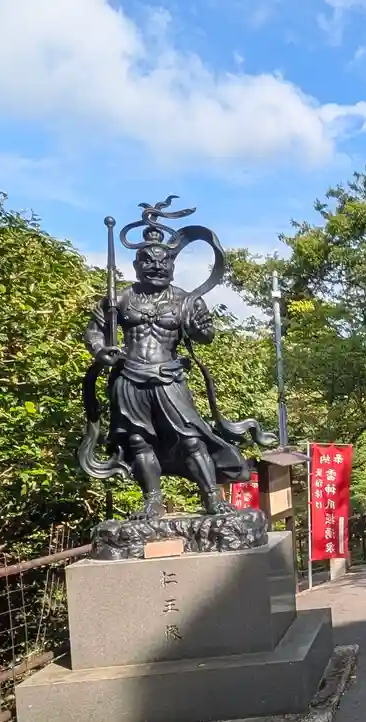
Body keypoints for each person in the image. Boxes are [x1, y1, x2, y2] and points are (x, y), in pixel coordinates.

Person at [79, 203, 268, 519]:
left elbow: (207, 336)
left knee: (190, 438)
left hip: (168, 377)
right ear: (137, 265)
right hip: (129, 378)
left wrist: (198, 326)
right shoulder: (119, 298)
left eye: (163, 262)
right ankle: (152, 500)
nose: (156, 267)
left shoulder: (185, 300)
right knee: (138, 441)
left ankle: (211, 497)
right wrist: (100, 351)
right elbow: (94, 332)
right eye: (148, 262)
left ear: (172, 265)